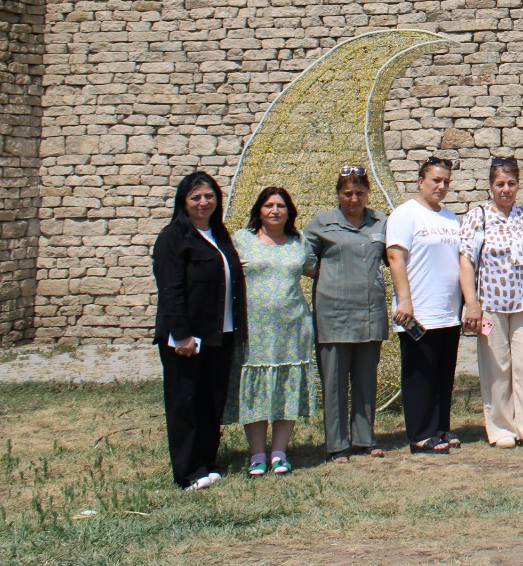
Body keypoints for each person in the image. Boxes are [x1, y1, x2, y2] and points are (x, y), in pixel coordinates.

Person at [153, 171, 246, 490]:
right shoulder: (173, 237)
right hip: (187, 337)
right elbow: (171, 289)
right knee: (185, 402)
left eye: (208, 196)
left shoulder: (219, 234)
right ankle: (188, 470)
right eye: (195, 197)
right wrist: (181, 334)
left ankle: (207, 461)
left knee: (211, 400)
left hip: (220, 333)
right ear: (184, 202)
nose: (203, 202)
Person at [303, 165, 389, 463]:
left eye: (360, 193)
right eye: (348, 193)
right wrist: (329, 277)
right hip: (334, 314)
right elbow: (304, 258)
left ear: (368, 193)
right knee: (335, 382)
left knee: (366, 380)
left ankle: (364, 439)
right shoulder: (322, 222)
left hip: (369, 313)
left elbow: (395, 257)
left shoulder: (381, 222)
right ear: (338, 194)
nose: (354, 199)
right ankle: (337, 444)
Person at [460, 156, 523, 450]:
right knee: (497, 368)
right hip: (491, 305)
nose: (505, 189)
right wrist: (471, 303)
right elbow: (467, 261)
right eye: (500, 184)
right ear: (491, 186)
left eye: (511, 184)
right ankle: (501, 428)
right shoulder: (478, 217)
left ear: (518, 185)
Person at [232, 186, 318, 476]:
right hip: (254, 329)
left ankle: (280, 452)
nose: (275, 211)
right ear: (259, 210)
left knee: (286, 387)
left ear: (289, 212)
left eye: (280, 206)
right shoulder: (242, 240)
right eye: (269, 205)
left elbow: (315, 270)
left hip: (292, 327)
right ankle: (257, 454)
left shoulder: (298, 242)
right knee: (255, 389)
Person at [387, 155, 464, 454]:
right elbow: (395, 257)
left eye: (446, 182)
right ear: (421, 182)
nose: (441, 186)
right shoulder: (405, 214)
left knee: (443, 375)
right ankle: (420, 434)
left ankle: (440, 427)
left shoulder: (451, 218)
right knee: (420, 375)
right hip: (418, 311)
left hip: (447, 311)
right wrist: (405, 300)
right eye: (436, 180)